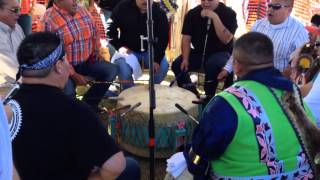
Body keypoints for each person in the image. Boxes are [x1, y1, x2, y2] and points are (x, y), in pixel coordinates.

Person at [167, 32, 317, 179]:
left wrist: (185, 151)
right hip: (301, 175)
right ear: (270, 61)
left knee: (176, 173)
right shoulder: (295, 95)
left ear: (237, 66)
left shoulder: (228, 103)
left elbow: (202, 152)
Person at [11, 32, 140, 180]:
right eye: (66, 60)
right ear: (59, 66)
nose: (68, 66)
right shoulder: (77, 111)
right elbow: (115, 165)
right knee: (131, 166)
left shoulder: (7, 108)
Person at [38, 0, 118, 111]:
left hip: (86, 61)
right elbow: (52, 57)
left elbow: (95, 30)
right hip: (61, 69)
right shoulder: (48, 20)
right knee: (68, 90)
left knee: (111, 70)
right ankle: (72, 114)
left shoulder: (82, 10)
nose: (76, 1)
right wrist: (74, 75)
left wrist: (96, 49)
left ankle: (89, 105)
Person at [219, 0, 309, 81]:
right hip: (250, 79)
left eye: (276, 7)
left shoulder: (299, 31)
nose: (270, 9)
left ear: (289, 10)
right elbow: (242, 49)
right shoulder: (258, 25)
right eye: (269, 5)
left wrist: (286, 75)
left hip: (278, 84)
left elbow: (303, 62)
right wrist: (227, 69)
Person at [171, 0, 237, 99]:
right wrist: (185, 59)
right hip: (199, 52)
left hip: (221, 53)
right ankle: (192, 93)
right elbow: (186, 38)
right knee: (177, 64)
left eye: (210, 0)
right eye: (203, 0)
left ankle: (209, 96)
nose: (206, 3)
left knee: (213, 63)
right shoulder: (192, 14)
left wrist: (214, 17)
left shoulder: (229, 13)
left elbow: (226, 39)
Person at [107, 0, 169, 89]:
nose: (145, 1)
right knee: (122, 69)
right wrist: (119, 46)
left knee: (163, 66)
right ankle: (131, 95)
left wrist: (157, 59)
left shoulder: (158, 12)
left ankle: (151, 91)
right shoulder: (123, 7)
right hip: (128, 51)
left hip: (151, 51)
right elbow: (110, 29)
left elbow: (163, 38)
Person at [0, 0, 25, 83]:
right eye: (15, 10)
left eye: (19, 10)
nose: (19, 14)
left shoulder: (17, 28)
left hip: (23, 84)